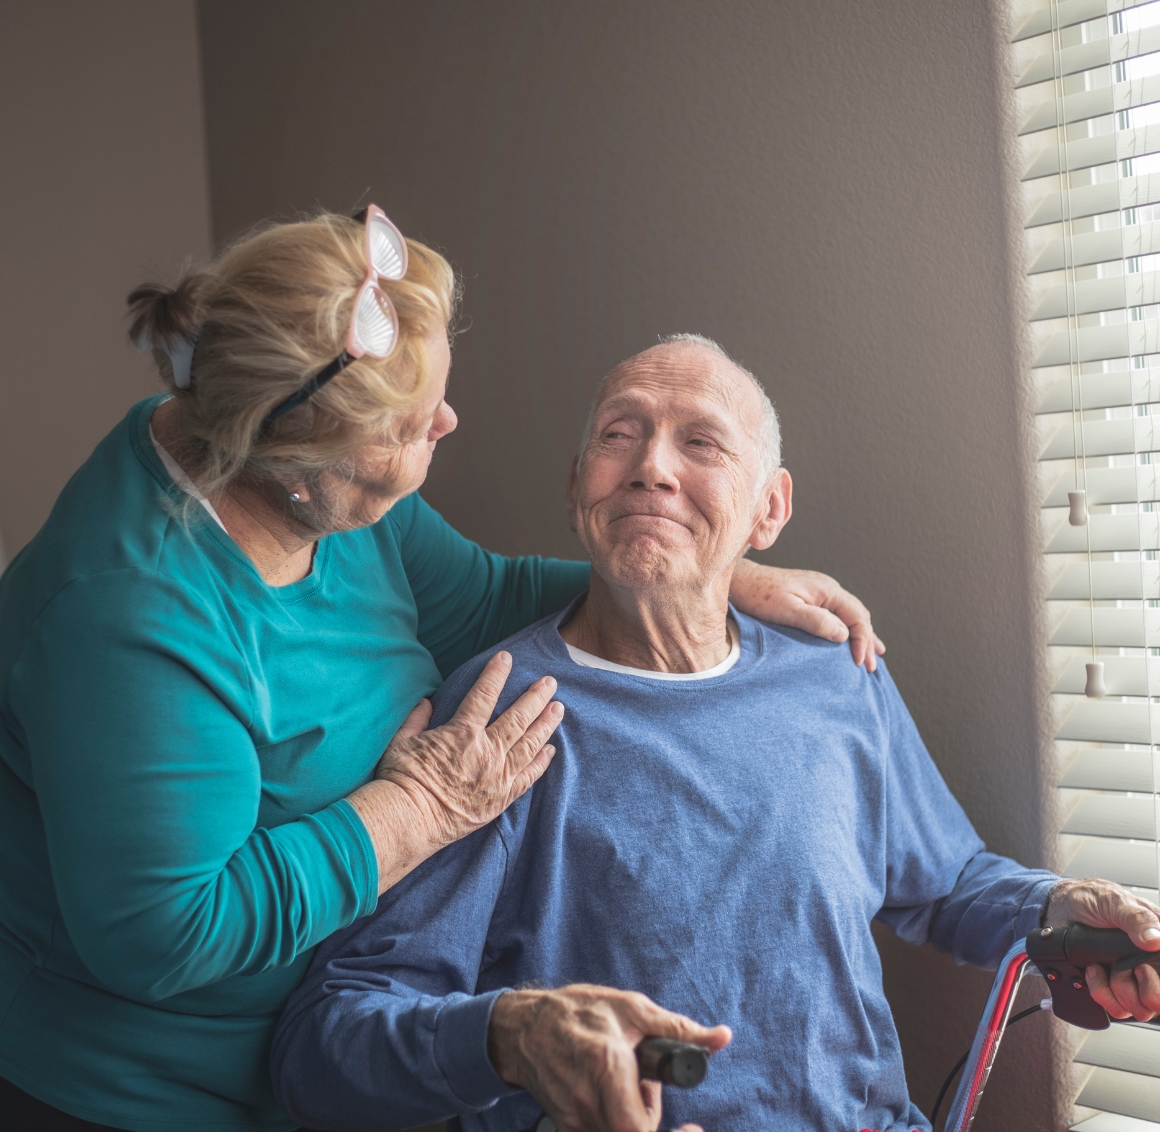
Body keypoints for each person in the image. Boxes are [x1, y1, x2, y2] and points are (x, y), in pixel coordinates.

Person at [0, 212, 881, 1132]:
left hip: (309, 1057)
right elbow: (169, 931)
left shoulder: (289, 469)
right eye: (416, 424)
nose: (447, 423)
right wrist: (412, 814)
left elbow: (485, 594)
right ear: (298, 457)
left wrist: (708, 568)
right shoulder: (127, 615)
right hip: (134, 1089)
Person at [271, 335, 1160, 1132]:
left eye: (700, 442)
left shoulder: (837, 677)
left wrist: (1055, 908)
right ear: (577, 484)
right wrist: (508, 1034)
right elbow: (329, 1043)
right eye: (619, 435)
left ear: (768, 511)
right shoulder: (501, 721)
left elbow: (947, 880)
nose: (652, 466)